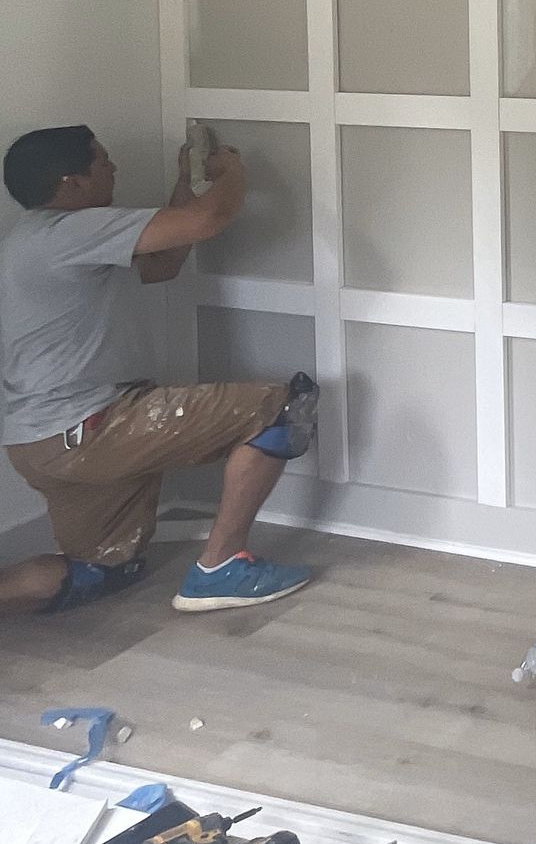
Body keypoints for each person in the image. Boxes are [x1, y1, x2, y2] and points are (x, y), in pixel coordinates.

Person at [1, 126, 317, 614]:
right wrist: (231, 172)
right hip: (88, 428)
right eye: (102, 162)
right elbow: (209, 218)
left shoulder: (33, 240)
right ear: (71, 182)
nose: (113, 169)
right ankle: (220, 568)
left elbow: (163, 263)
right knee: (281, 408)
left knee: (101, 571)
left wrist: (186, 180)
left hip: (38, 442)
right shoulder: (70, 232)